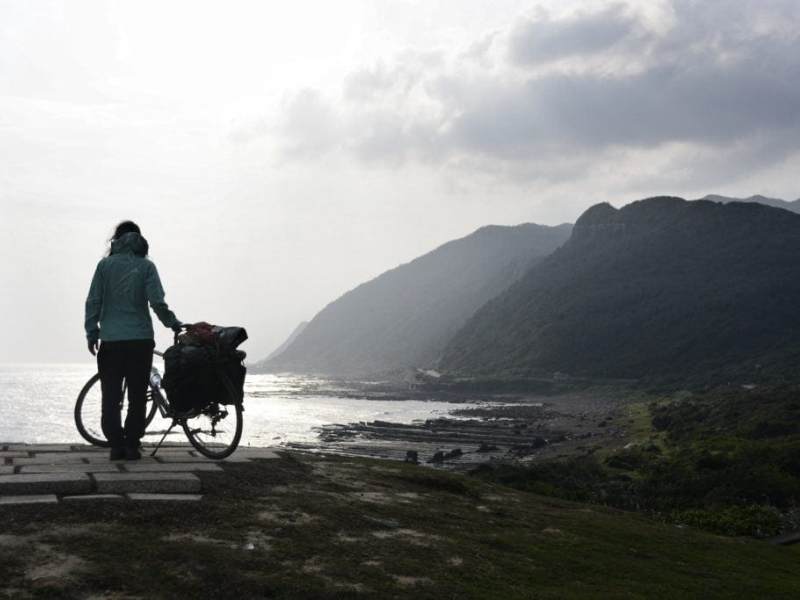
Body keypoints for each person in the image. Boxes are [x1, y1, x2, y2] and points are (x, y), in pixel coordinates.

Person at [84, 221, 182, 460]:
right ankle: (132, 444)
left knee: (111, 396)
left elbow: (93, 301)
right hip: (140, 340)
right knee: (137, 396)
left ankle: (116, 445)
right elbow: (157, 302)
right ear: (140, 241)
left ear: (116, 240)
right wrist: (173, 323)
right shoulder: (147, 267)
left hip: (111, 340)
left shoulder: (104, 266)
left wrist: (92, 332)